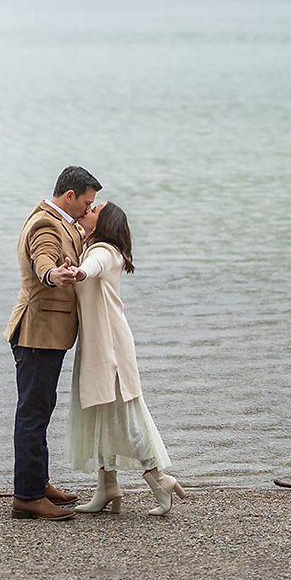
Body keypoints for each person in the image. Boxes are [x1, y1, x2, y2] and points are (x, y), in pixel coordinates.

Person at [68, 201, 187, 517]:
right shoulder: (93, 247)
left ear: (103, 222)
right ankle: (107, 486)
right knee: (102, 415)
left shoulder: (104, 252)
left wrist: (79, 271)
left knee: (126, 415)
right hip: (98, 346)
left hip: (111, 350)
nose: (88, 209)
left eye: (95, 209)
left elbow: (92, 266)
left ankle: (158, 476)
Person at [4, 165, 100, 521]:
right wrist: (52, 273)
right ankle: (27, 496)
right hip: (36, 332)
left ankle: (38, 481)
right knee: (32, 412)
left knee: (40, 408)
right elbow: (42, 258)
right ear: (69, 196)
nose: (89, 209)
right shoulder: (46, 224)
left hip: (46, 334)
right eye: (87, 203)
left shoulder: (62, 222)